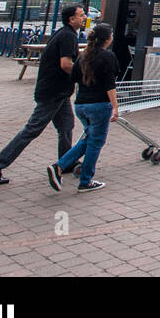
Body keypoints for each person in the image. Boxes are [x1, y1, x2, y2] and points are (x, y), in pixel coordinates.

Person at [0, 4, 84, 186]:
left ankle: (66, 162)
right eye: (81, 15)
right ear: (71, 19)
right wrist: (84, 76)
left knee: (67, 126)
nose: (85, 17)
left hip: (60, 91)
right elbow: (66, 64)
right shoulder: (67, 36)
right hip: (53, 91)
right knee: (32, 129)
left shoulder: (65, 34)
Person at [48, 23, 119, 193]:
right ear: (107, 38)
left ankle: (59, 167)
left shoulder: (82, 56)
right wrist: (115, 107)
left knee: (89, 139)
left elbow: (73, 77)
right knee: (96, 142)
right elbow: (110, 85)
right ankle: (86, 180)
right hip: (99, 105)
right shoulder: (108, 57)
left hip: (81, 105)